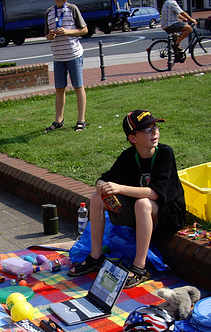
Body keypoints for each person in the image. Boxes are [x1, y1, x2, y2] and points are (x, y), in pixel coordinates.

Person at [68, 110, 186, 288]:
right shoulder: (129, 156)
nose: (154, 132)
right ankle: (96, 257)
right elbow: (106, 177)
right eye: (147, 130)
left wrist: (120, 188)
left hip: (168, 214)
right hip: (141, 214)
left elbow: (156, 194)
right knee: (97, 198)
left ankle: (140, 267)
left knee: (143, 203)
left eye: (155, 127)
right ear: (133, 138)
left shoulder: (164, 153)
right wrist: (101, 184)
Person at [44, 0, 88, 133]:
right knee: (59, 89)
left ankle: (81, 120)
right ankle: (58, 120)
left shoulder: (73, 9)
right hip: (58, 56)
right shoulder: (49, 13)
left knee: (78, 87)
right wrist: (50, 35)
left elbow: (84, 30)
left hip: (73, 54)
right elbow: (47, 36)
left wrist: (68, 32)